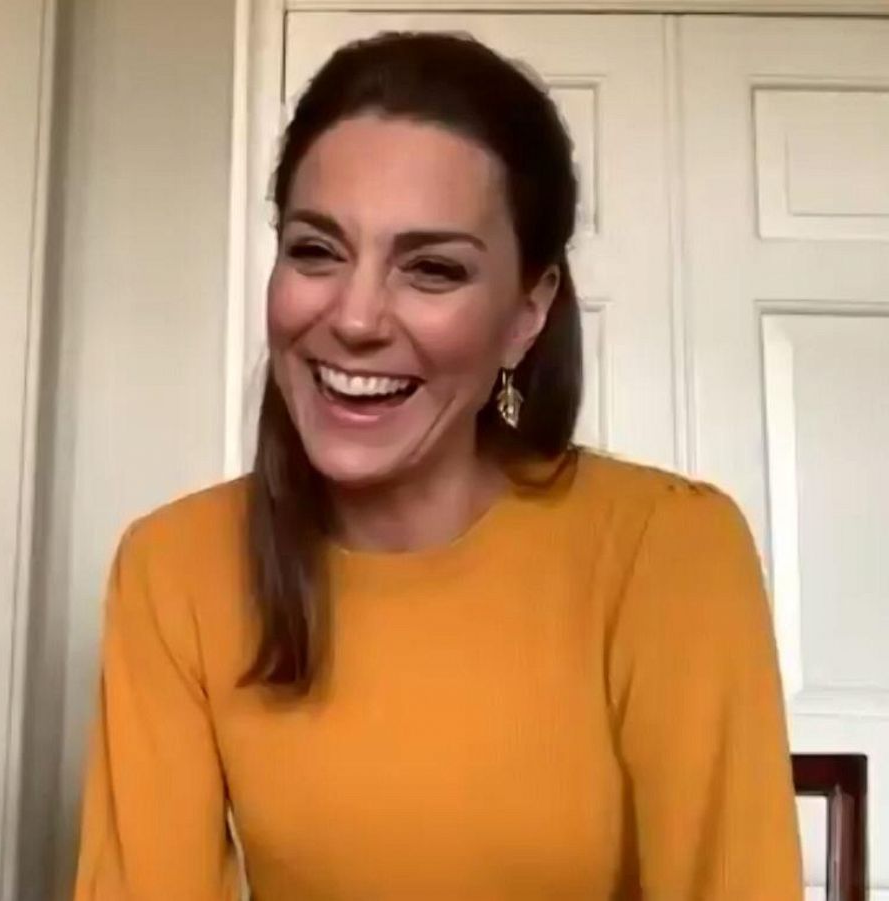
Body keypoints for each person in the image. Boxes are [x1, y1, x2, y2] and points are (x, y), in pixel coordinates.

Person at [73, 31, 801, 900]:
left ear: (528, 311)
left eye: (432, 269)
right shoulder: (176, 567)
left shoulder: (669, 551)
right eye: (317, 250)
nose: (355, 317)